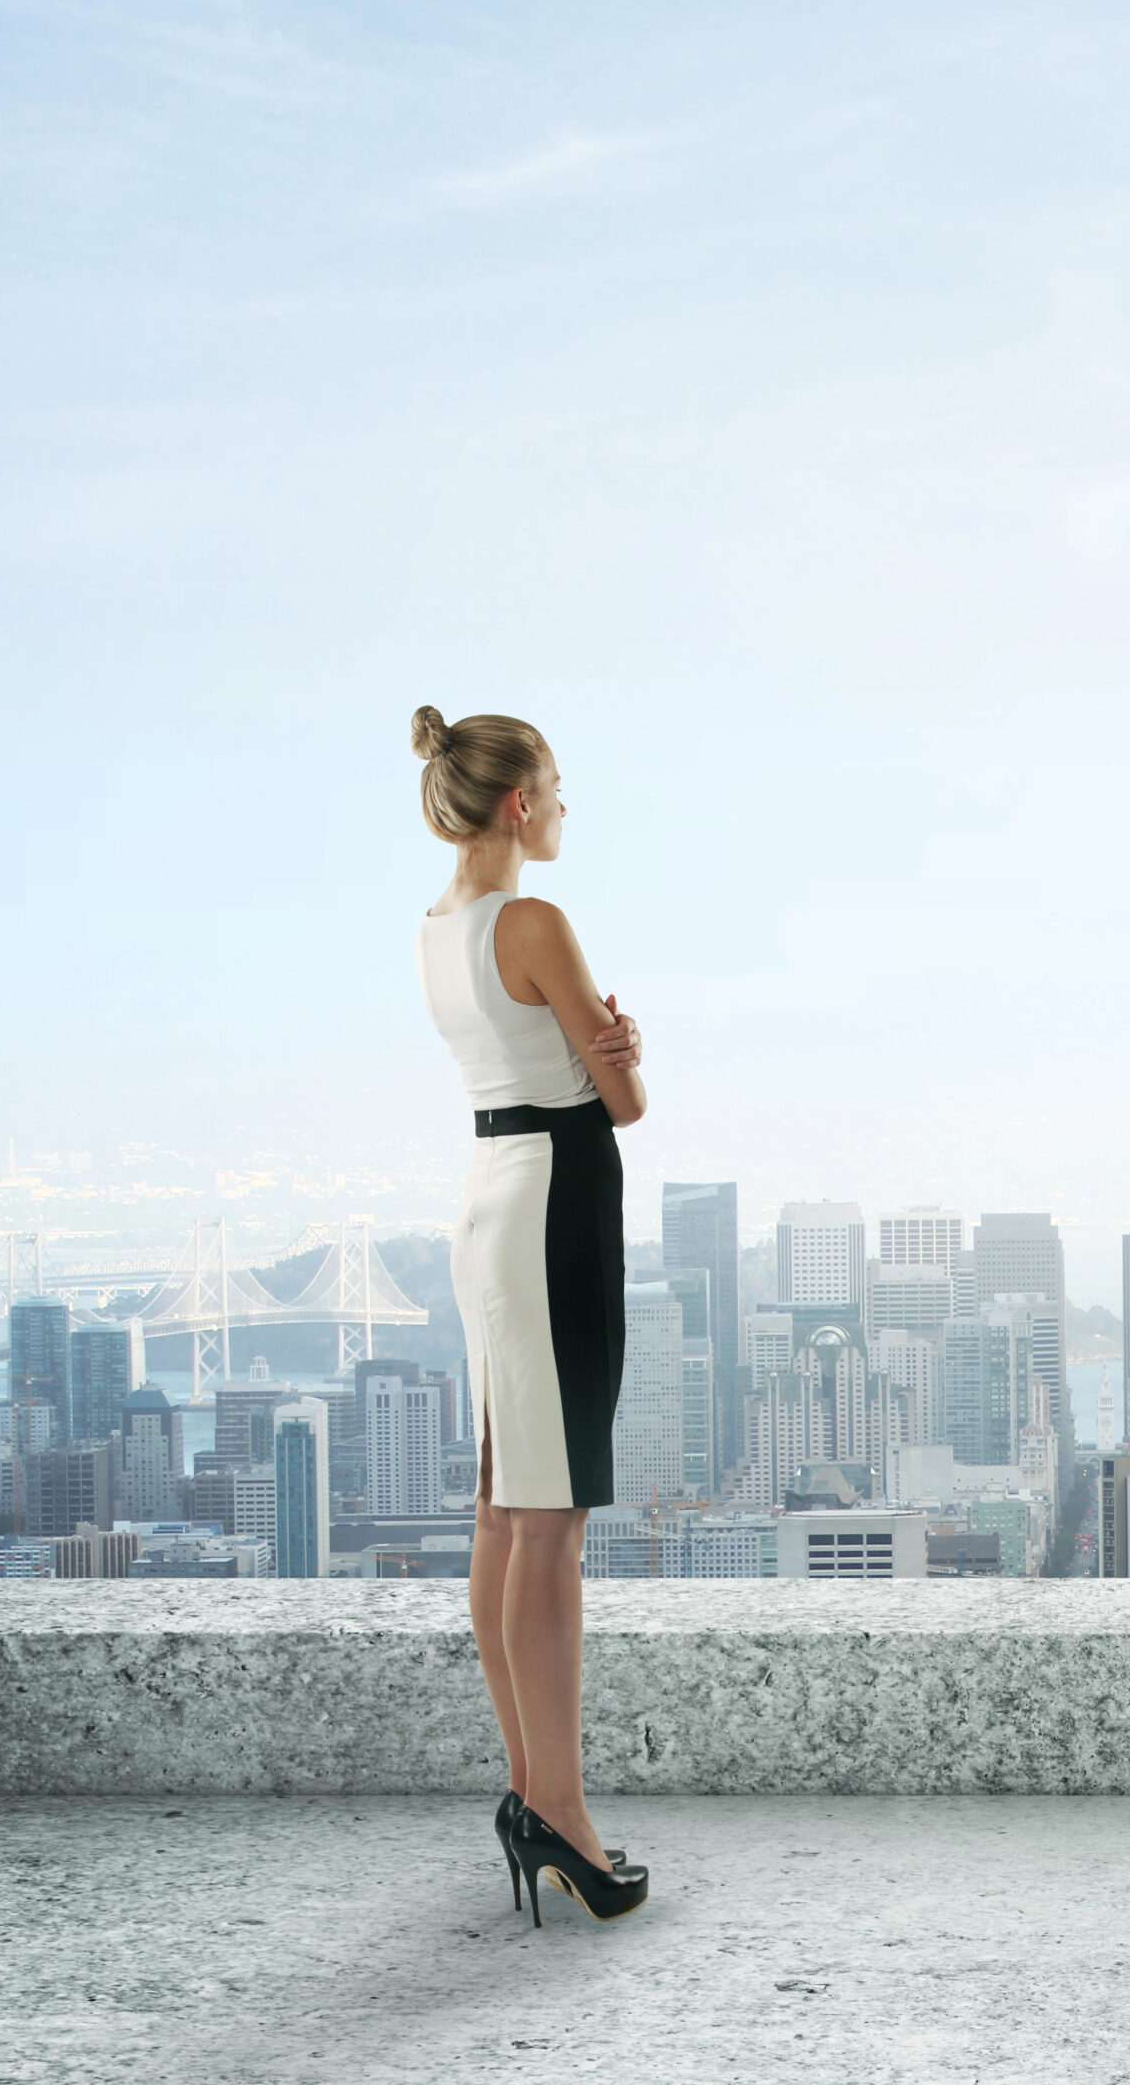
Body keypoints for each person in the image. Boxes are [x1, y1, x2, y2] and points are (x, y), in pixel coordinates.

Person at [411, 705, 653, 1926]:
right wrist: (624, 1051)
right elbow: (622, 1100)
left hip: (489, 1201)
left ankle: (527, 1788)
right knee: (549, 1525)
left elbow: (537, 1064)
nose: (561, 806)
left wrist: (598, 1051)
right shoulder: (535, 920)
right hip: (555, 1205)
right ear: (517, 802)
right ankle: (560, 1815)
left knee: (506, 1511)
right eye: (554, 786)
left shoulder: (438, 932)